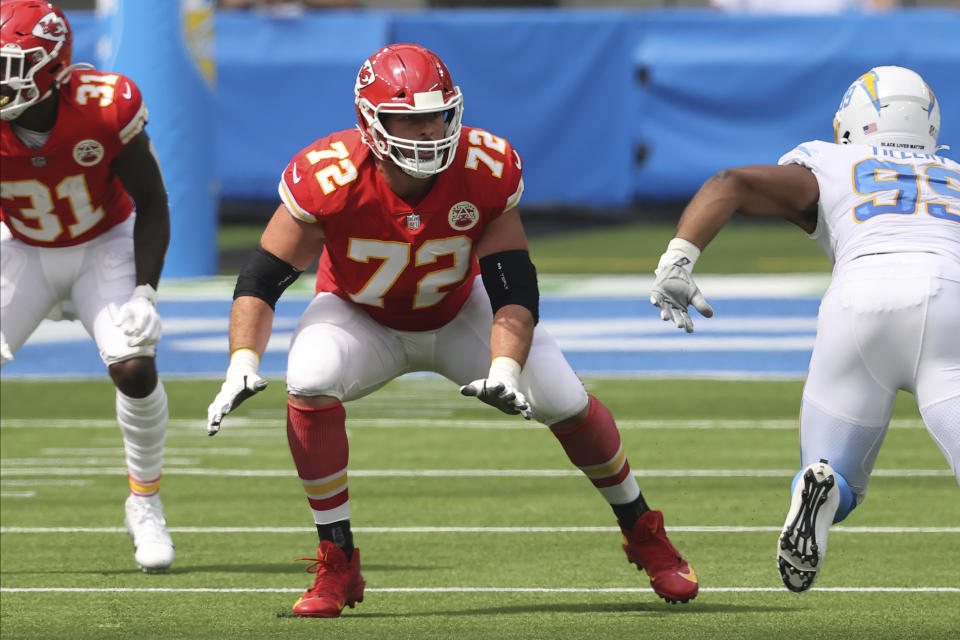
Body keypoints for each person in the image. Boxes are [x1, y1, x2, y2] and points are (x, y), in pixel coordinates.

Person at [206, 42, 699, 617]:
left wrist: (506, 368)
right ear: (371, 122)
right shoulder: (328, 174)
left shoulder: (484, 166)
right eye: (406, 119)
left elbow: (513, 285)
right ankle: (337, 560)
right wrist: (242, 360)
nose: (425, 131)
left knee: (564, 398)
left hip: (460, 309)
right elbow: (261, 279)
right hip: (360, 316)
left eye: (435, 114)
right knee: (309, 375)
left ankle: (643, 531)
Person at [649, 65, 959, 592]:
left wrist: (677, 260)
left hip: (859, 300)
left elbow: (732, 183)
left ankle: (821, 488)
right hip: (952, 294)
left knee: (833, 474)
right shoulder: (952, 173)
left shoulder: (831, 159)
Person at [0, 1, 174, 573]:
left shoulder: (105, 107)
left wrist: (146, 291)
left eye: (10, 65)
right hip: (21, 247)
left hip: (103, 242)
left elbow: (151, 202)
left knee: (134, 365)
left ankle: (144, 503)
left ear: (50, 68)